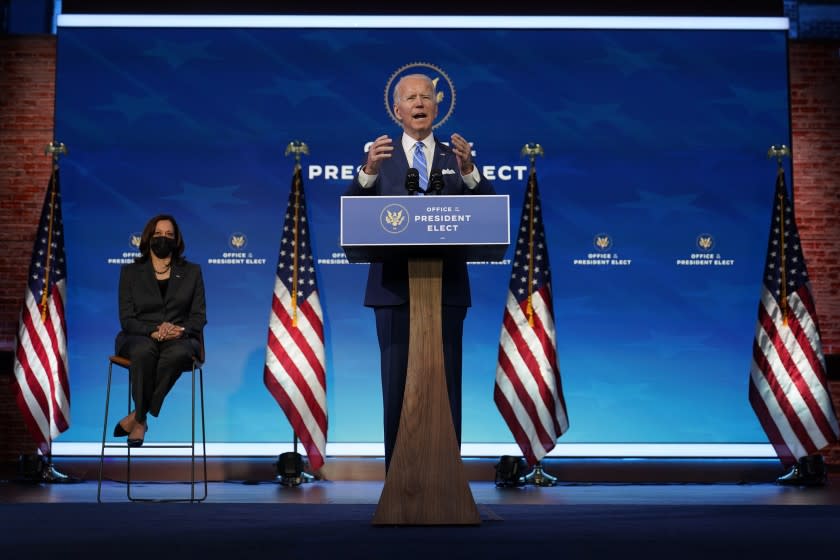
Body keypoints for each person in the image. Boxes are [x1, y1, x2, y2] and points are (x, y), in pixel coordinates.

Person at [344, 73, 495, 470]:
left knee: (445, 387)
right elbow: (353, 215)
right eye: (410, 98)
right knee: (397, 386)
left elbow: (487, 213)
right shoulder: (379, 156)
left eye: (426, 96)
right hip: (393, 290)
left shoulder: (455, 157)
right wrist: (366, 174)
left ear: (437, 106)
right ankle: (398, 479)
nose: (419, 102)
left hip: (445, 289)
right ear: (397, 110)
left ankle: (446, 477)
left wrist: (470, 173)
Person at [112, 214, 207, 447]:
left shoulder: (192, 272)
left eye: (169, 235)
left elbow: (198, 316)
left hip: (179, 338)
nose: (163, 238)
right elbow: (127, 318)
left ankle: (138, 416)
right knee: (144, 351)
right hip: (138, 336)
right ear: (148, 238)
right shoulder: (130, 272)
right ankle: (142, 419)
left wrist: (179, 329)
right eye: (158, 234)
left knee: (176, 354)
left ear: (176, 240)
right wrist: (153, 330)